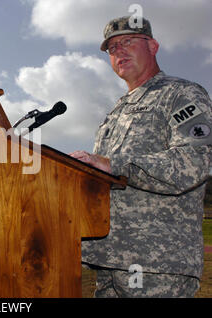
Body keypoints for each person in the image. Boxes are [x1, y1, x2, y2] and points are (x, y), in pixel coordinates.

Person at [70, 16, 212, 297]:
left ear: (153, 46)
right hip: (109, 258)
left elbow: (195, 163)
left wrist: (113, 165)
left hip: (157, 264)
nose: (118, 51)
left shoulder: (181, 94)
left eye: (127, 42)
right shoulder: (116, 112)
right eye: (111, 48)